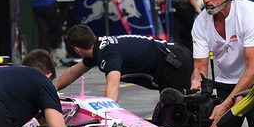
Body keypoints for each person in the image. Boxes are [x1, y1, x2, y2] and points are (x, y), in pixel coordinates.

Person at [56, 24, 193, 101]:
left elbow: (112, 87)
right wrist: (52, 89)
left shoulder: (108, 55)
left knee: (175, 113)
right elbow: (72, 72)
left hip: (174, 62)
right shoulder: (99, 46)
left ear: (77, 50)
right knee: (169, 110)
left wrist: (107, 117)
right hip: (176, 54)